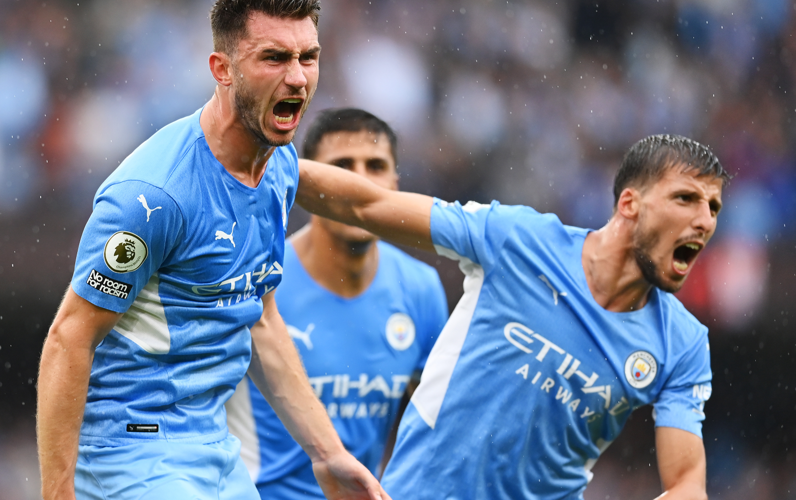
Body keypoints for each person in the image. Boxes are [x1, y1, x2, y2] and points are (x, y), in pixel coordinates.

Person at [36, 0, 389, 500]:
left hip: (212, 449)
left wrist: (328, 452)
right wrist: (57, 494)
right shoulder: (154, 197)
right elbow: (70, 337)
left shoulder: (278, 166)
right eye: (274, 57)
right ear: (222, 70)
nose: (297, 78)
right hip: (131, 450)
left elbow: (261, 318)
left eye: (308, 57)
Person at [295, 134, 728, 499]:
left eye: (713, 207)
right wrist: (264, 164)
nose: (704, 220)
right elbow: (367, 206)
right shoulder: (518, 239)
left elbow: (687, 481)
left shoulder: (683, 344)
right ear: (630, 204)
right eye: (686, 198)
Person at [225, 108, 449, 499]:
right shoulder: (258, 279)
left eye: (375, 166)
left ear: (394, 185)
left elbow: (436, 429)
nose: (357, 181)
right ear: (309, 184)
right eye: (342, 166)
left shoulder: (420, 289)